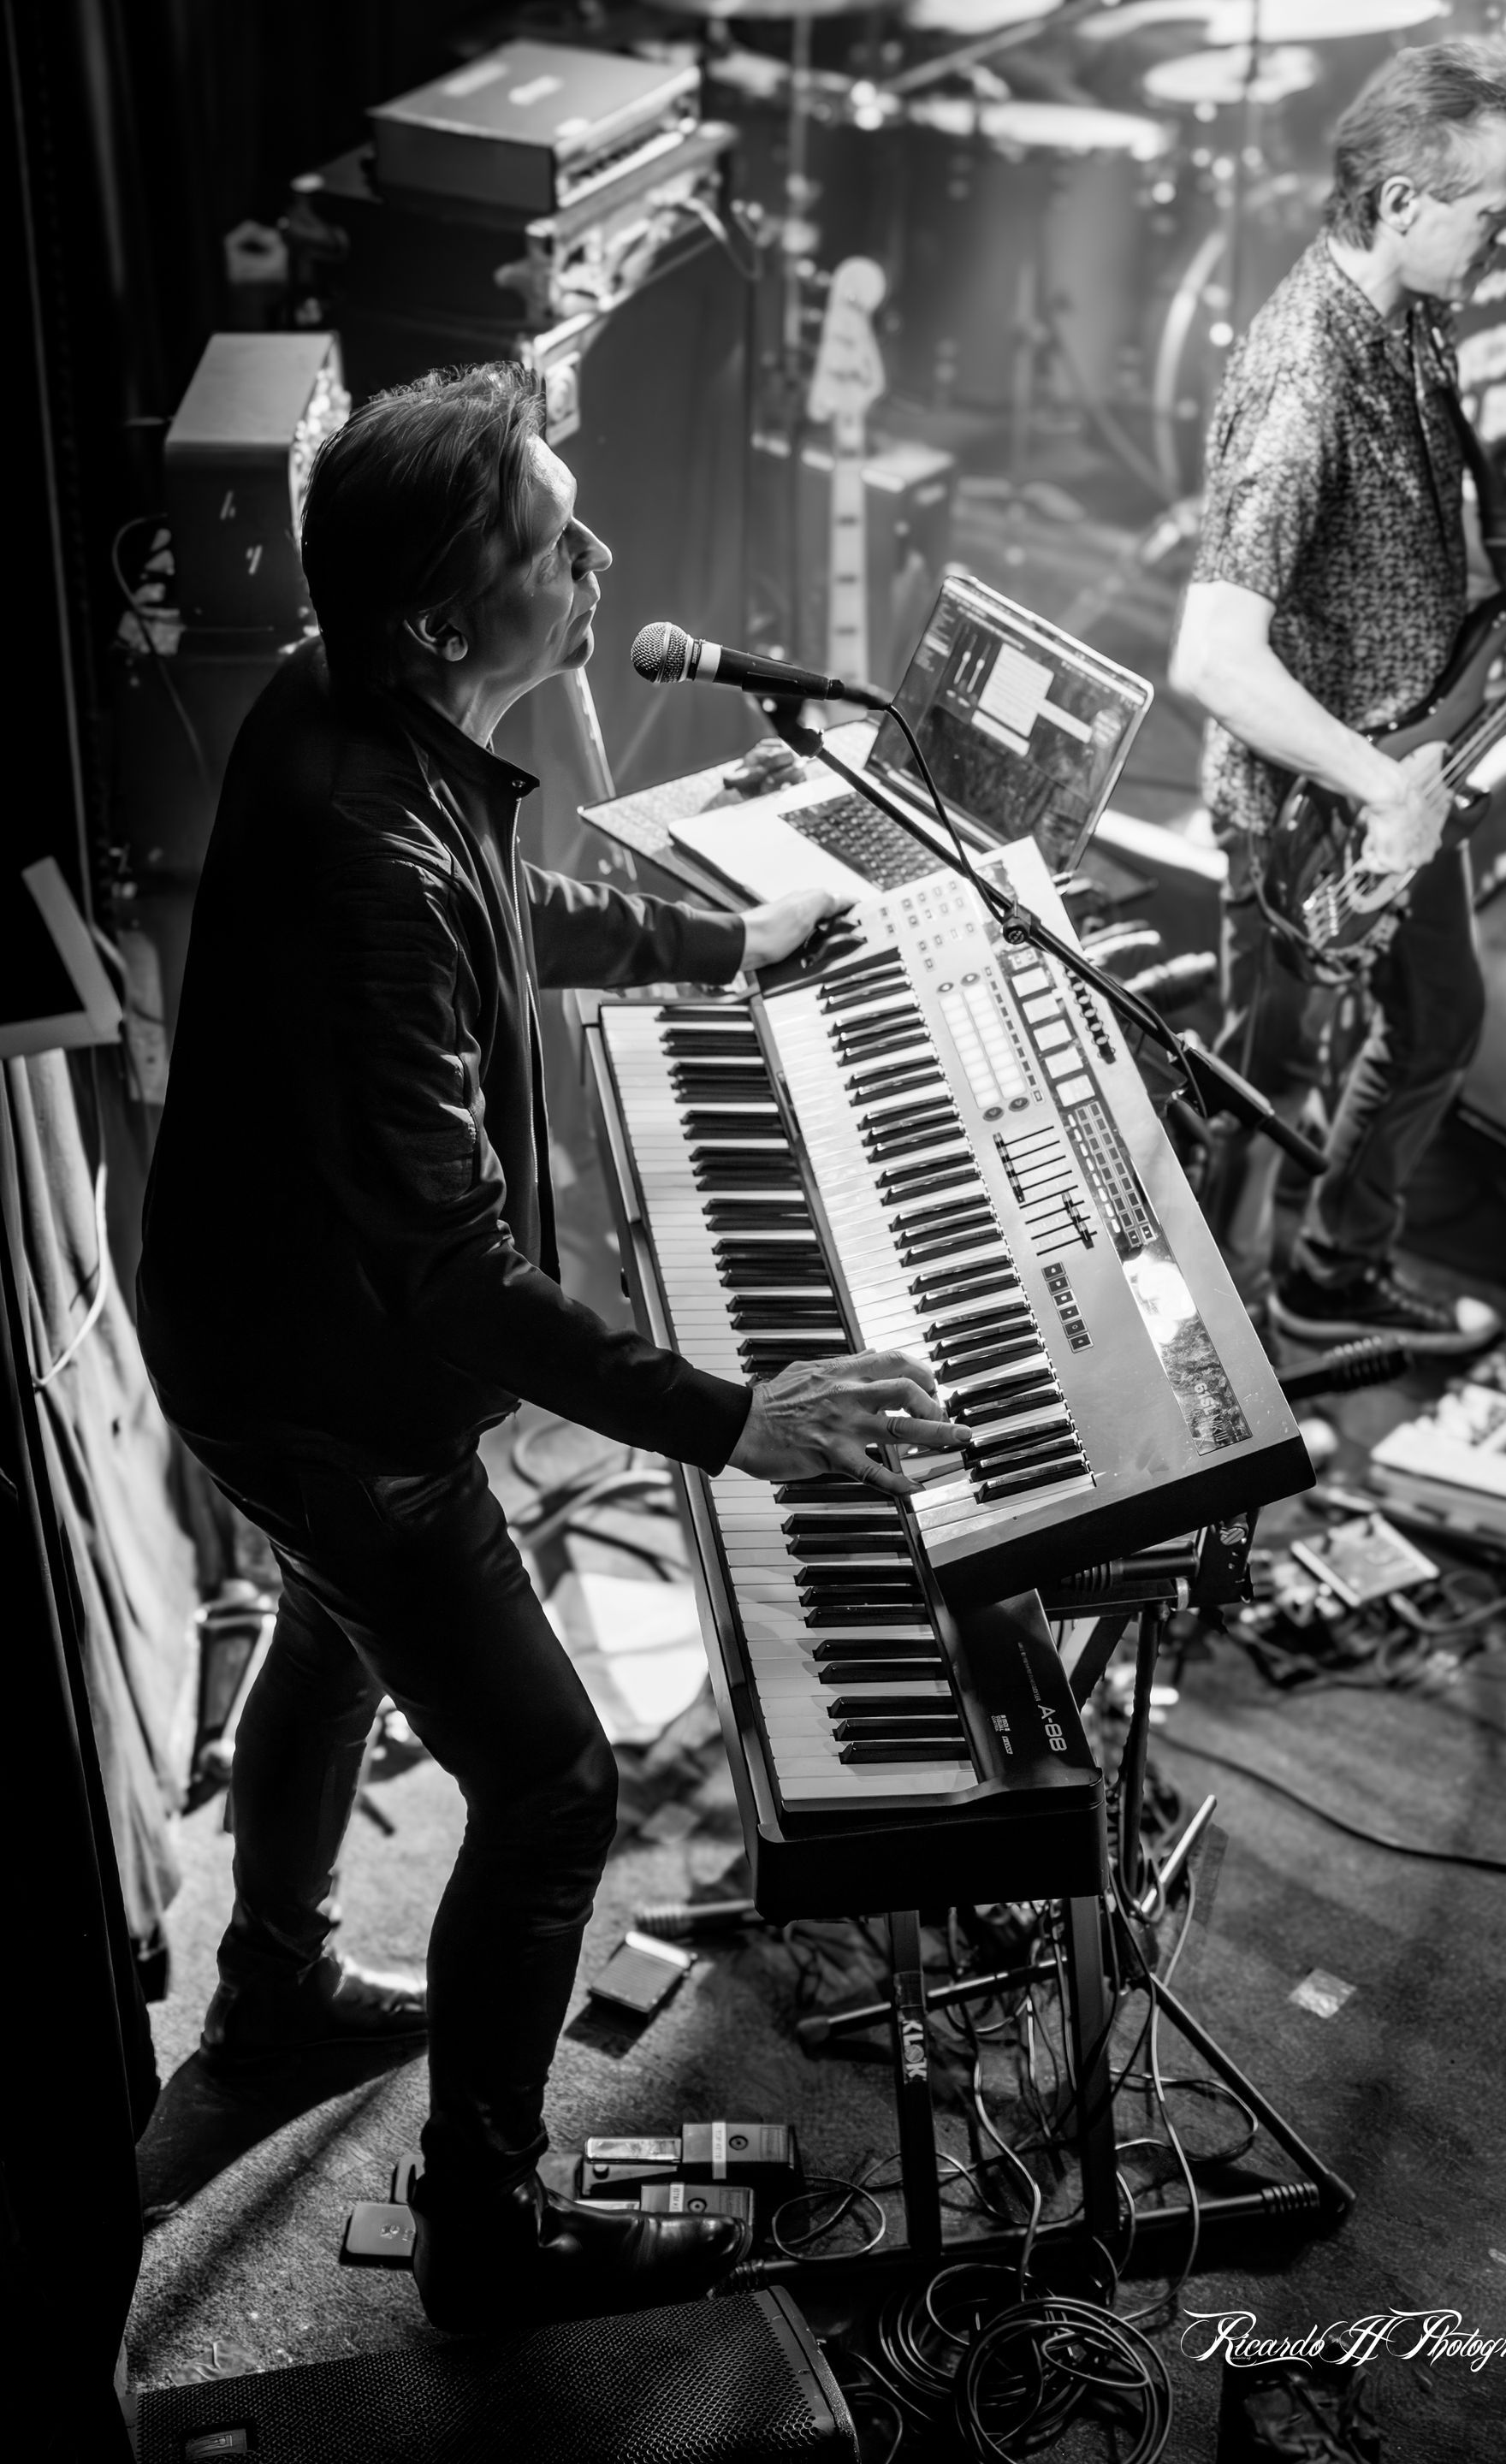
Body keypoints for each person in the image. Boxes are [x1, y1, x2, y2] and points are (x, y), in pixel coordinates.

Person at [135, 363, 970, 2334]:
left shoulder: (366, 718)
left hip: (264, 1341)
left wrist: (709, 948)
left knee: (339, 1636)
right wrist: (739, 1420)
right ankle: (487, 2230)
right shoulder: (363, 854)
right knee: (550, 1780)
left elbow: (502, 911)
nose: (594, 559)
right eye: (548, 539)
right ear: (447, 614)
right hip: (330, 1387)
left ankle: (269, 1995)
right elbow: (455, 1279)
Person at [1171, 37, 1506, 1352]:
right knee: (1260, 1088)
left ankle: (1330, 1270)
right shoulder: (1305, 377)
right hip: (1313, 816)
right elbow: (1213, 656)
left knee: (1438, 1021)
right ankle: (1219, 1385)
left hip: (1409, 770)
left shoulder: (1414, 318)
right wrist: (1378, 780)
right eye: (1493, 213)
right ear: (1403, 202)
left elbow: (1455, 527)